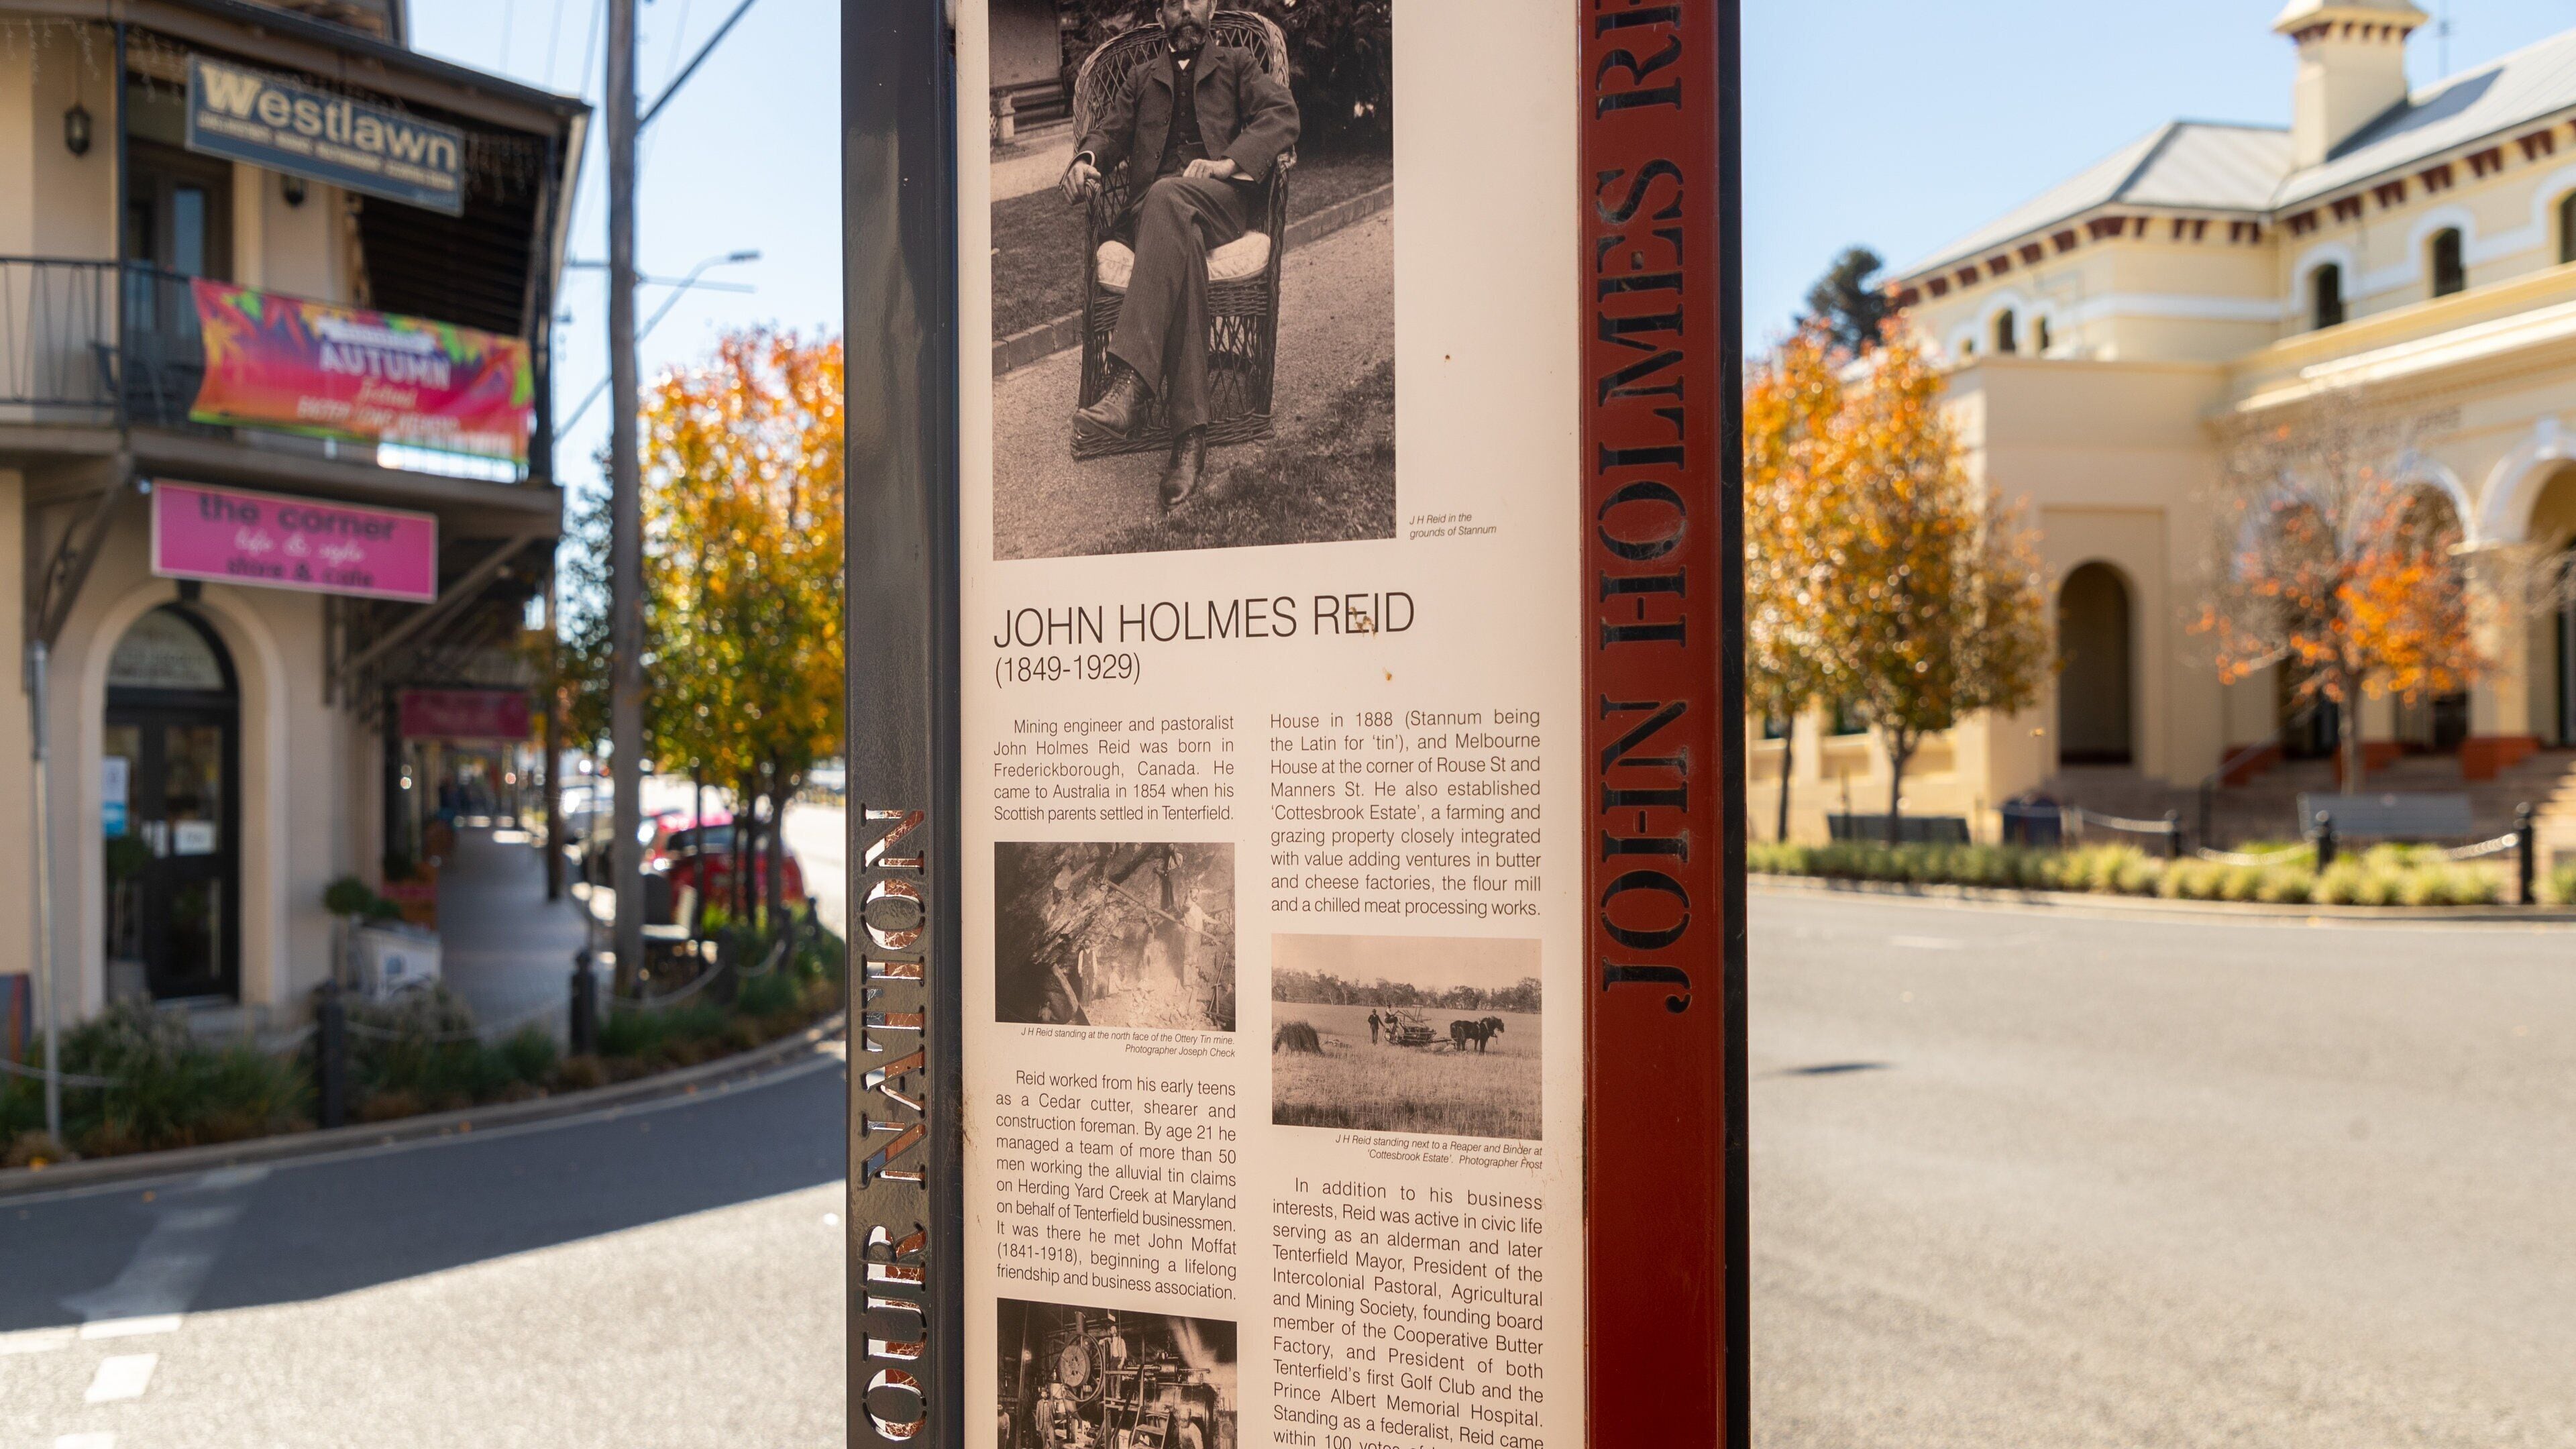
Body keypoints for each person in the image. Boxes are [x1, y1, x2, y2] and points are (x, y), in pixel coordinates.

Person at [1063, 0, 1299, 506]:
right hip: (1156, 219)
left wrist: (1228, 162)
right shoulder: (1141, 77)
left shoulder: (1237, 64)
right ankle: (1189, 442)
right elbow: (1108, 132)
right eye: (1175, 2)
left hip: (1220, 204)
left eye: (1196, 0)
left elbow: (1282, 114)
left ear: (1210, 7)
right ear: (1160, 16)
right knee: (1177, 230)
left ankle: (1131, 384)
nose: (1187, 9)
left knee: (1169, 195)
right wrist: (1085, 159)